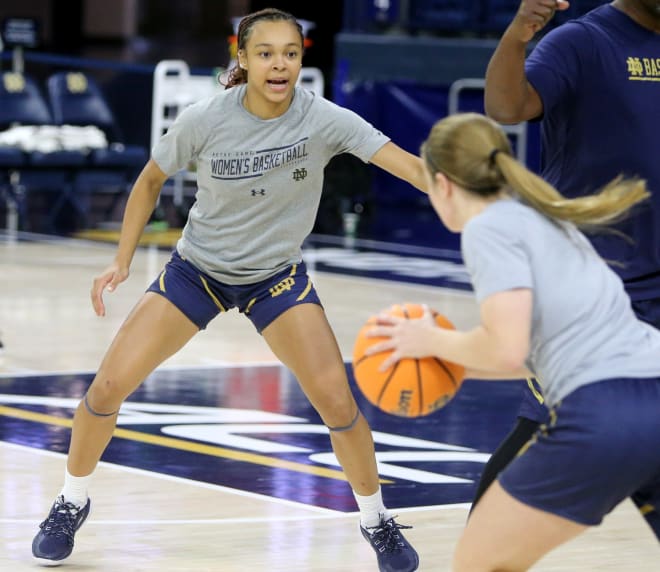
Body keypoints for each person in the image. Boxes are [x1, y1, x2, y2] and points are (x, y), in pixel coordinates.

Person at [30, 9, 426, 571]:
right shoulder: (206, 118)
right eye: (265, 53)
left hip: (276, 278)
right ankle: (71, 500)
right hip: (199, 271)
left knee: (338, 403)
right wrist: (121, 261)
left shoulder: (326, 119)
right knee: (106, 389)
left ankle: (376, 519)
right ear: (242, 58)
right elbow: (149, 180)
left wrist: (473, 197)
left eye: (290, 52)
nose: (279, 64)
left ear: (301, 57)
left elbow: (407, 167)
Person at [366, 111, 660, 570]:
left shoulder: (489, 227)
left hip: (607, 410)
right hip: (651, 388)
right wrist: (451, 364)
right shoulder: (542, 216)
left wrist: (430, 342)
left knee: (478, 563)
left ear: (442, 183)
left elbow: (507, 349)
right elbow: (532, 355)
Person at [474, 0, 660, 517]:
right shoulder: (582, 41)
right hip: (592, 286)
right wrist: (518, 34)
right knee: (547, 430)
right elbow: (507, 108)